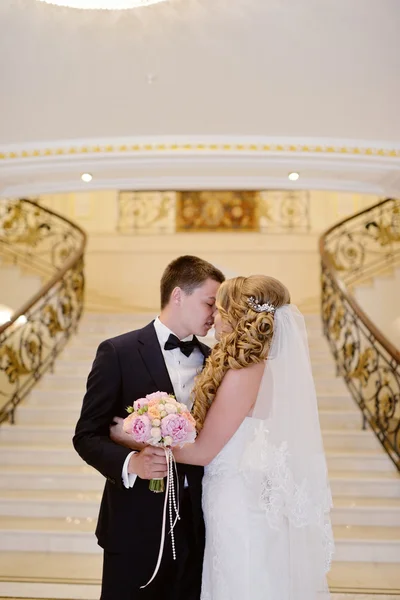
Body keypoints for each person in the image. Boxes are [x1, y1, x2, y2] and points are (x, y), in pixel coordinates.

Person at [111, 274, 334, 600]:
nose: (212, 315)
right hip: (228, 500)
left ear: (236, 314)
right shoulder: (248, 366)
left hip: (238, 507)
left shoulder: (246, 371)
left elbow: (202, 452)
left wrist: (135, 435)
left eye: (219, 307)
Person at [73, 255, 225, 600]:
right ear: (178, 296)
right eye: (209, 303)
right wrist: (132, 464)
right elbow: (86, 435)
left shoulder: (215, 361)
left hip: (200, 523)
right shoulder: (117, 352)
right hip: (134, 523)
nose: (214, 315)